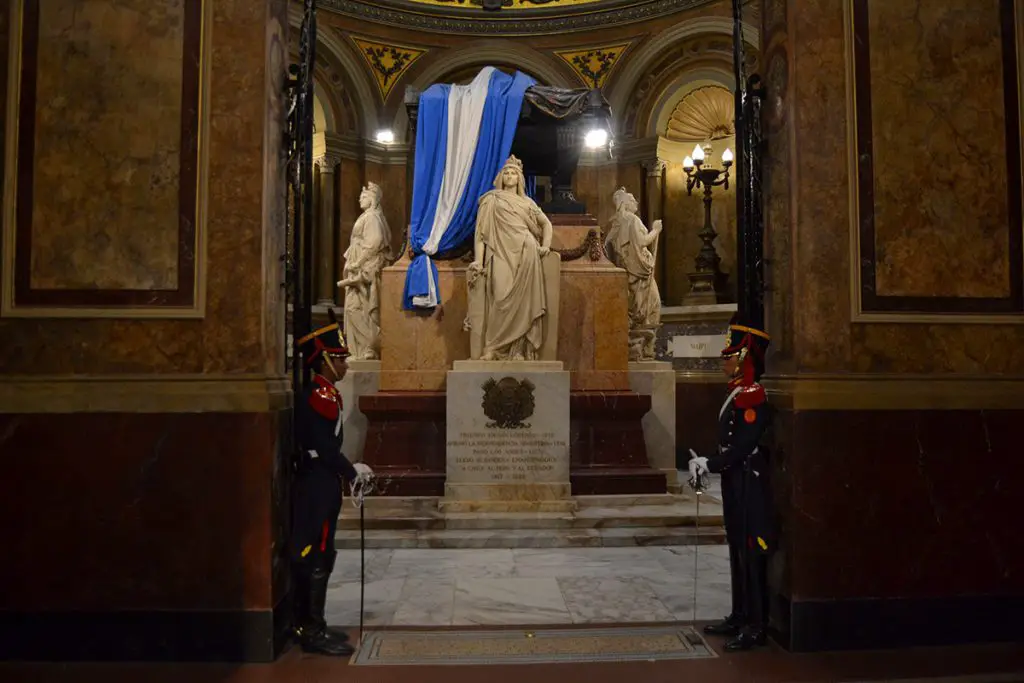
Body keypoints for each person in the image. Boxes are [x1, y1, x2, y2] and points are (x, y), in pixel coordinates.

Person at [683, 314, 773, 651]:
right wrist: (708, 462)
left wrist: (712, 462)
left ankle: (756, 624)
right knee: (736, 546)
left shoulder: (752, 394)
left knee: (752, 551)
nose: (723, 361)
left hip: (749, 482)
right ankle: (739, 613)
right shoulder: (736, 392)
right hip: (736, 480)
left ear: (743, 360)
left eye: (728, 356)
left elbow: (745, 445)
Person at [292, 315, 374, 656]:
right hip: (317, 484)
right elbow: (324, 449)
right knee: (315, 552)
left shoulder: (327, 393)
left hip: (324, 482)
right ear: (323, 361)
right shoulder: (319, 396)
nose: (344, 363)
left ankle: (316, 623)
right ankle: (310, 629)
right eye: (338, 358)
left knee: (324, 550)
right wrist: (351, 471)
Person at [467, 154, 553, 361]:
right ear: (500, 176)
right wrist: (479, 260)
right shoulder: (491, 200)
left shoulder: (527, 202)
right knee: (500, 297)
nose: (509, 175)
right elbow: (481, 235)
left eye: (514, 172)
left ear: (520, 179)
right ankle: (493, 348)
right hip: (500, 253)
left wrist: (545, 246)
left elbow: (546, 224)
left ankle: (519, 351)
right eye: (506, 172)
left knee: (524, 303)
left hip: (526, 251)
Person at [338, 182, 392, 360]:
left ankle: (369, 347)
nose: (359, 198)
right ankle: (362, 349)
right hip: (360, 270)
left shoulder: (372, 218)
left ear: (372, 199)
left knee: (360, 308)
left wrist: (357, 263)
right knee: (358, 308)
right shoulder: (370, 216)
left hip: (364, 271)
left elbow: (374, 242)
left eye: (363, 196)